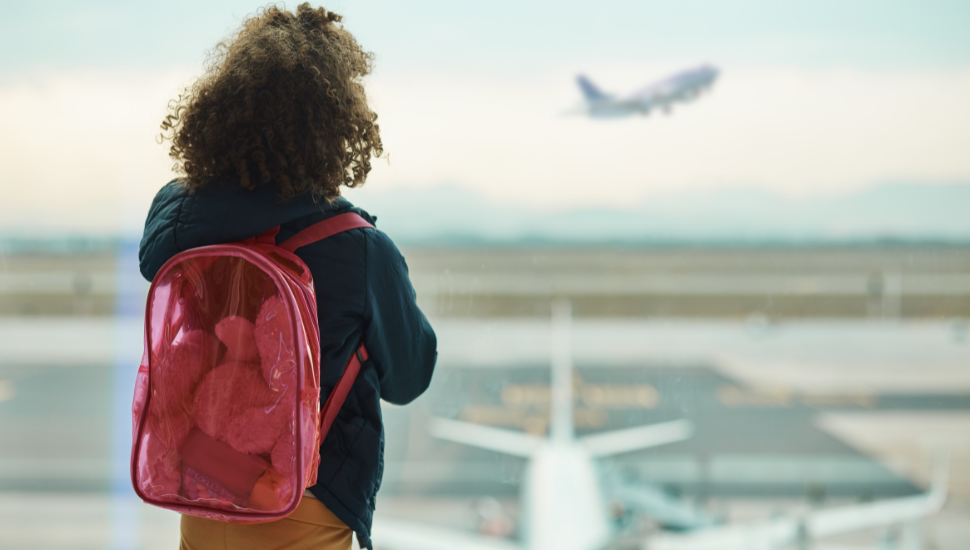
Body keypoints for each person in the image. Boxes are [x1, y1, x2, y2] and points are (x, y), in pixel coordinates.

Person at [137, 4, 437, 549]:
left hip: (203, 490)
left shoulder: (183, 227)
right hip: (299, 501)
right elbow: (409, 377)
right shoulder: (359, 249)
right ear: (336, 126)